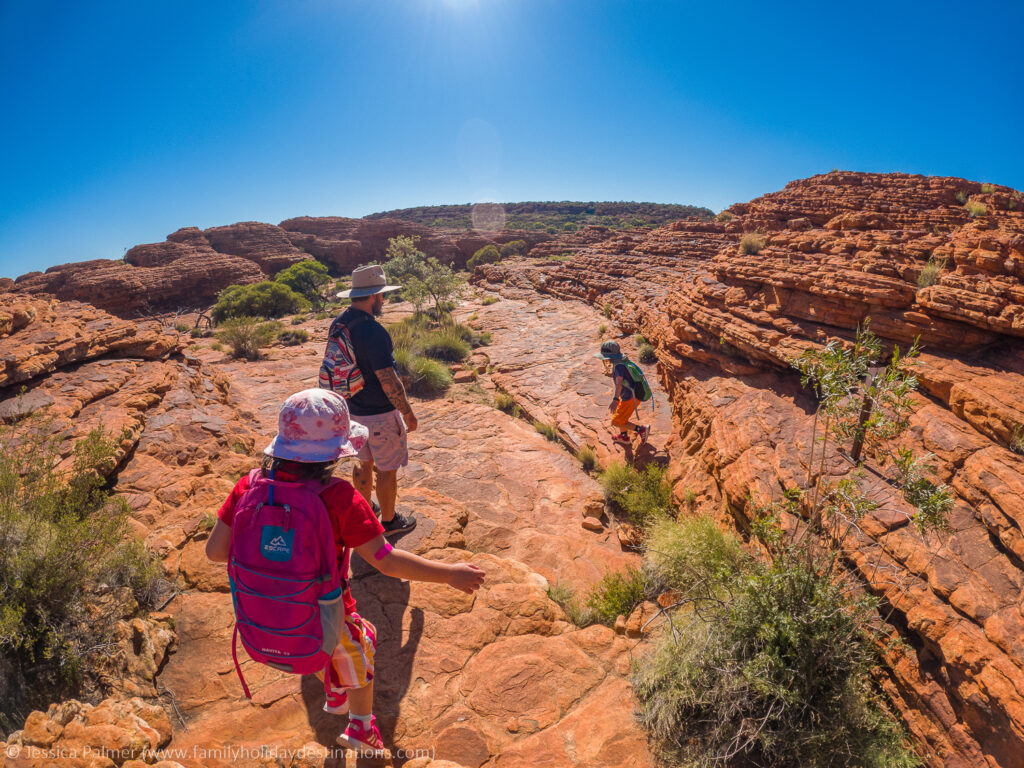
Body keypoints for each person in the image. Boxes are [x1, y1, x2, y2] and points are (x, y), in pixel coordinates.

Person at [205, 389, 485, 754]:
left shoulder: (249, 486)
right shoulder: (339, 497)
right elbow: (385, 559)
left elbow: (214, 553)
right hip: (325, 609)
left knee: (325, 649)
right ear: (335, 451)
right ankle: (361, 727)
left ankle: (334, 688)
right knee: (359, 645)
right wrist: (449, 573)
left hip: (266, 610)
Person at [327, 264, 418, 536]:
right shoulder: (373, 331)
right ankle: (389, 522)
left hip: (351, 408)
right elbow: (388, 378)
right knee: (387, 469)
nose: (384, 301)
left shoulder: (339, 322)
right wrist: (408, 412)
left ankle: (365, 511)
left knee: (362, 461)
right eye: (382, 296)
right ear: (375, 296)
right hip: (379, 413)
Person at [595, 340, 650, 446]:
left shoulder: (619, 367)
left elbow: (619, 384)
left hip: (629, 398)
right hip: (629, 396)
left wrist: (615, 399)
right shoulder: (623, 360)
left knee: (616, 421)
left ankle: (641, 429)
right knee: (622, 418)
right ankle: (624, 437)